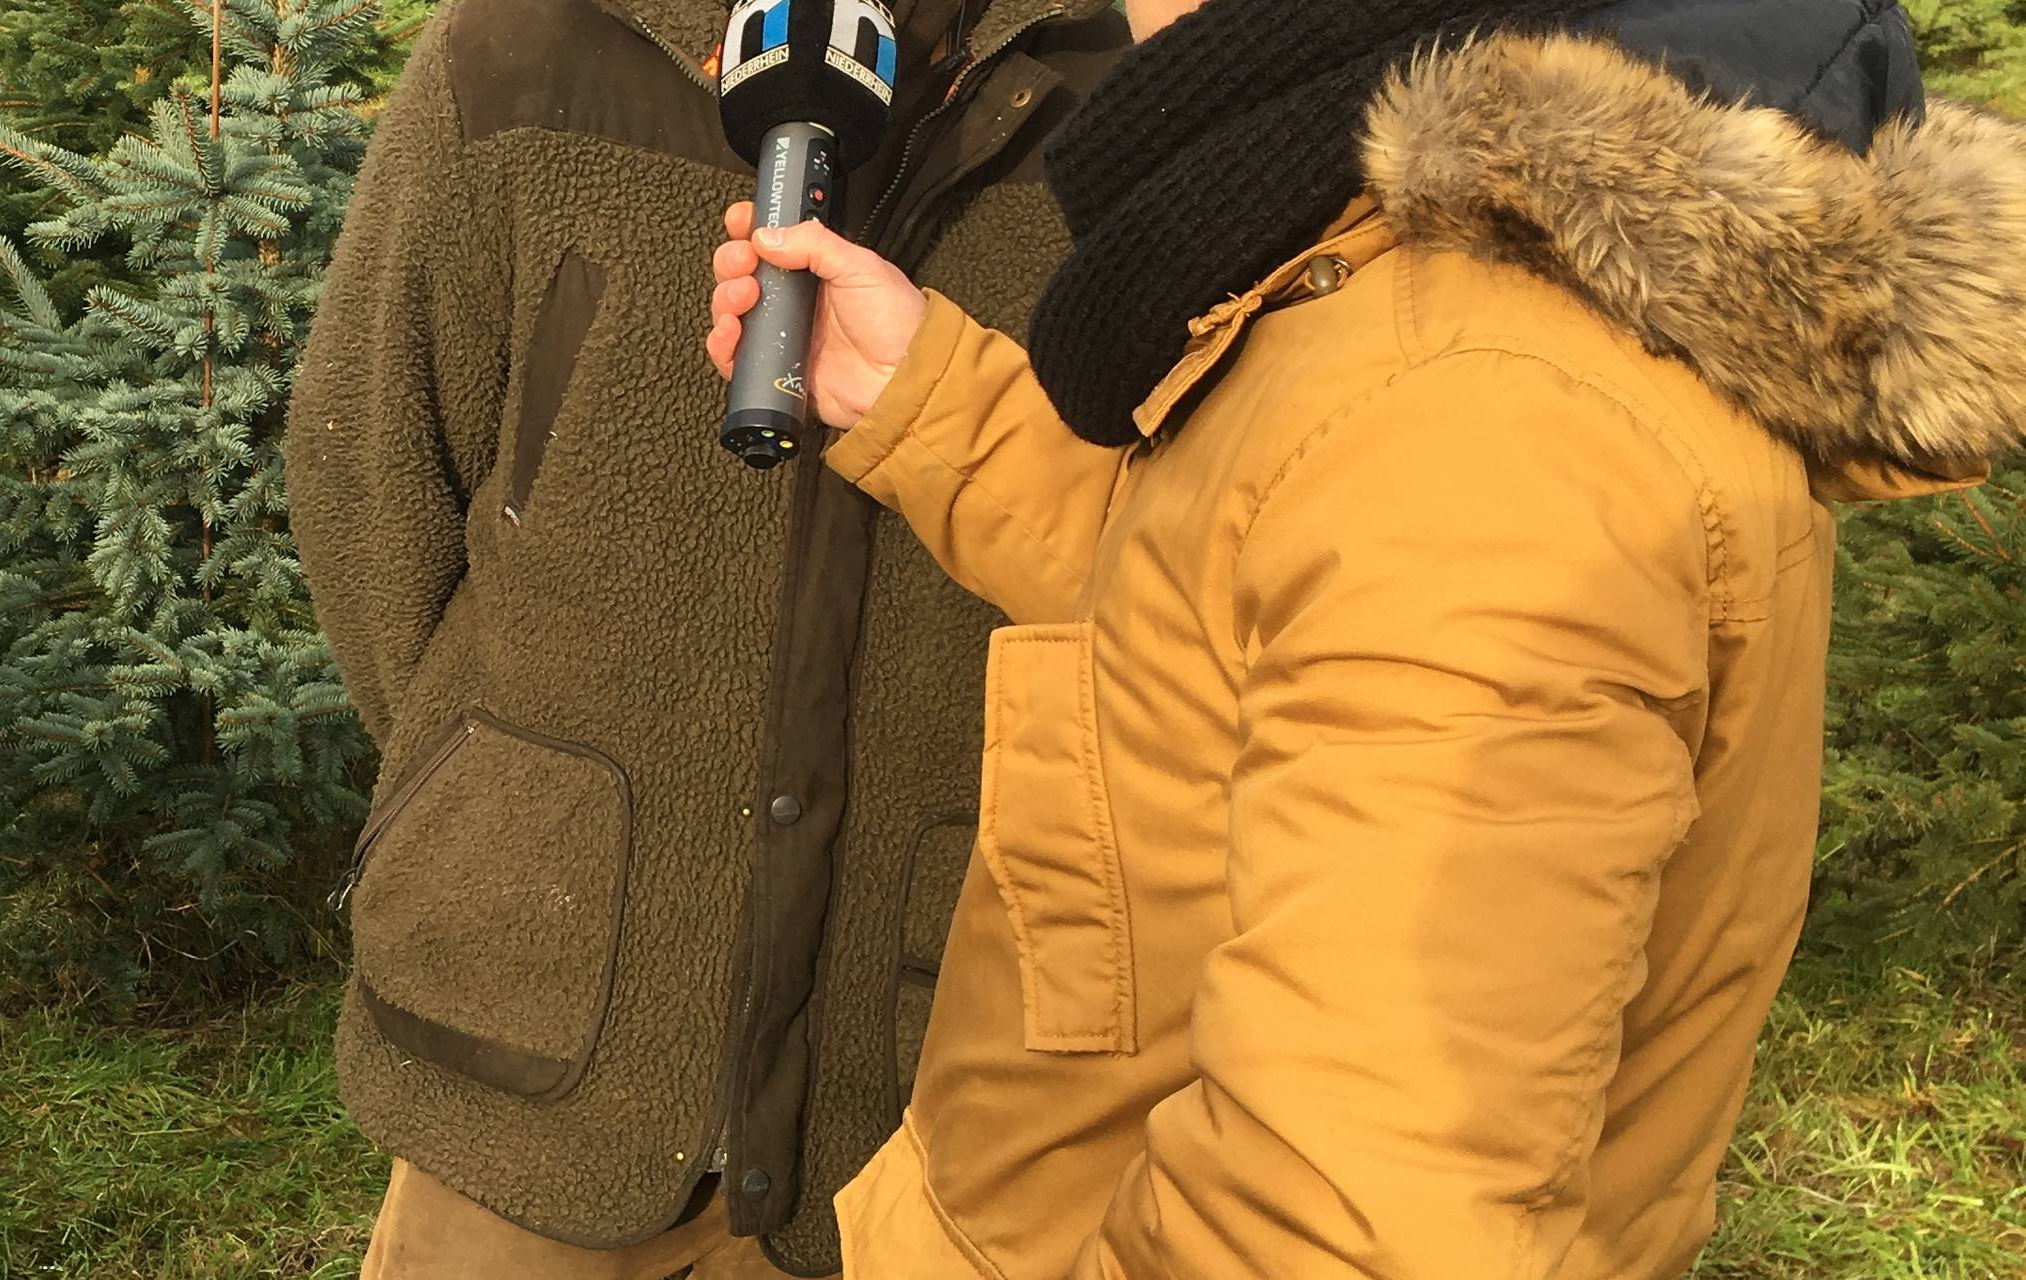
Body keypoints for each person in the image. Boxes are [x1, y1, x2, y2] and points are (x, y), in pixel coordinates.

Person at [708, 0, 2026, 1275]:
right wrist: (931, 400)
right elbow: (1232, 598)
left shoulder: (1488, 415)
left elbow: (1340, 1230)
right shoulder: (1445, 308)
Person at [282, 0, 1130, 1273]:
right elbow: (374, 492)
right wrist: (511, 804)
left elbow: (1176, 572)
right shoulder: (519, 53)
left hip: (928, 1105)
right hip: (528, 1077)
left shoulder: (1127, 77)